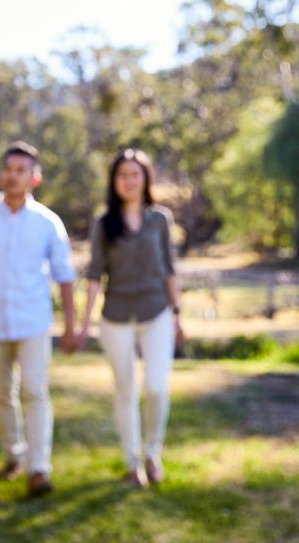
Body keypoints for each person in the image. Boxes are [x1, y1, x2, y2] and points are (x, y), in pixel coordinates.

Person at [0, 141, 76, 497]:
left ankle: (39, 468)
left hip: (33, 322)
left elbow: (65, 276)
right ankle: (13, 454)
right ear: (1, 173)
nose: (12, 175)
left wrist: (69, 325)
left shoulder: (48, 223)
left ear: (34, 178)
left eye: (21, 170)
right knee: (2, 394)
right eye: (8, 169)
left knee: (35, 391)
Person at [76, 148, 184, 488]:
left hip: (157, 313)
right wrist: (84, 322)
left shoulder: (160, 219)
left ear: (145, 178)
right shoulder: (103, 223)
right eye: (122, 175)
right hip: (116, 316)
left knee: (155, 387)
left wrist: (177, 315)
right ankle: (132, 461)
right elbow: (94, 274)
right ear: (114, 181)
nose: (129, 180)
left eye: (135, 174)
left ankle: (153, 451)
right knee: (126, 391)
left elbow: (169, 270)